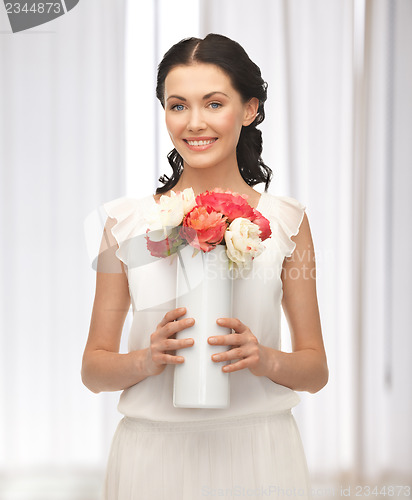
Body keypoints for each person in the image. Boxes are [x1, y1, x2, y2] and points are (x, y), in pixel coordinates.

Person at [82, 33, 328, 500]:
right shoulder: (127, 224)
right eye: (178, 106)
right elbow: (94, 367)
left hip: (258, 452)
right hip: (152, 459)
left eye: (214, 103)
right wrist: (145, 359)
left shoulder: (286, 222)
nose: (195, 122)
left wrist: (265, 358)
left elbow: (316, 369)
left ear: (250, 109)